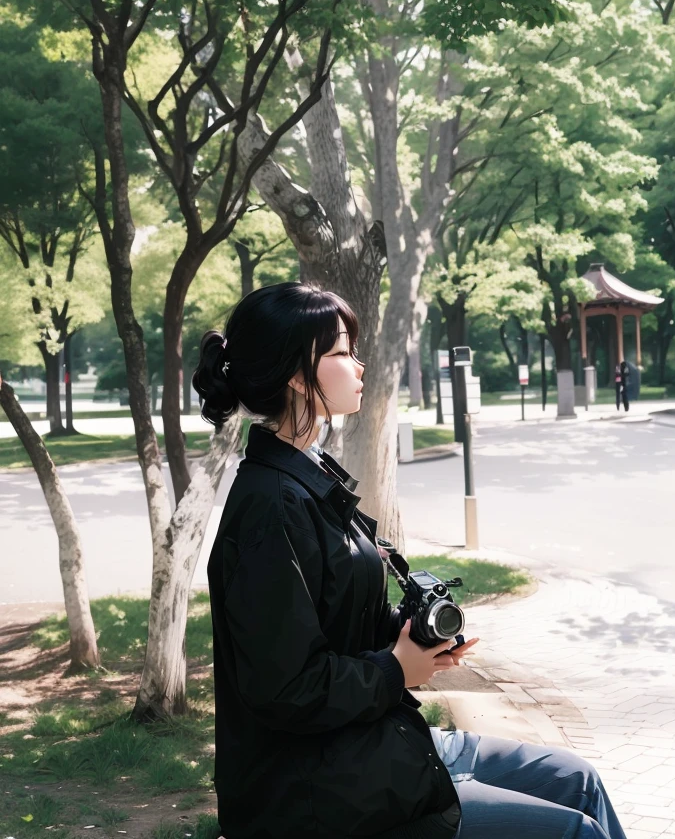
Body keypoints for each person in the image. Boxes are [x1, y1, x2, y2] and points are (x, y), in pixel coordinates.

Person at [193, 282, 627, 839]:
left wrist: (409, 635)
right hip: (318, 789)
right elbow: (286, 689)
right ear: (298, 377)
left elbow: (332, 619)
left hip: (373, 739)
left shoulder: (309, 472)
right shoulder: (270, 506)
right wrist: (396, 668)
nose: (359, 364)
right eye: (341, 352)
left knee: (580, 779)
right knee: (575, 831)